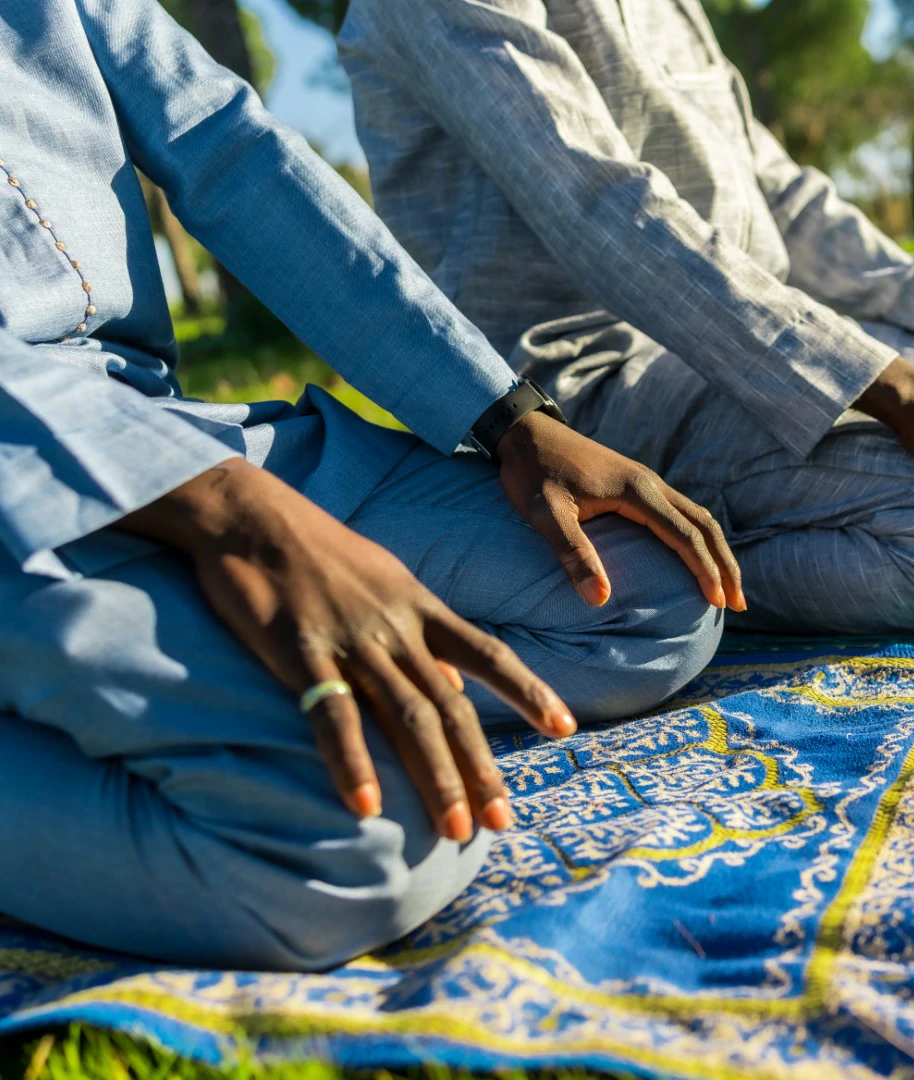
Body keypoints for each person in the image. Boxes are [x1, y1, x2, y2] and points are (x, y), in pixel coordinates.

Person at [0, 0, 744, 972]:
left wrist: (508, 417)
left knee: (650, 592)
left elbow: (234, 153)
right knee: (364, 842)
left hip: (162, 424)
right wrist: (235, 518)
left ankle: (228, 657)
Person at [338, 0, 914, 638]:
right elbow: (602, 207)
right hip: (592, 385)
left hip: (751, 340)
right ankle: (638, 563)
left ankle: (763, 514)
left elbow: (780, 192)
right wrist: (903, 392)